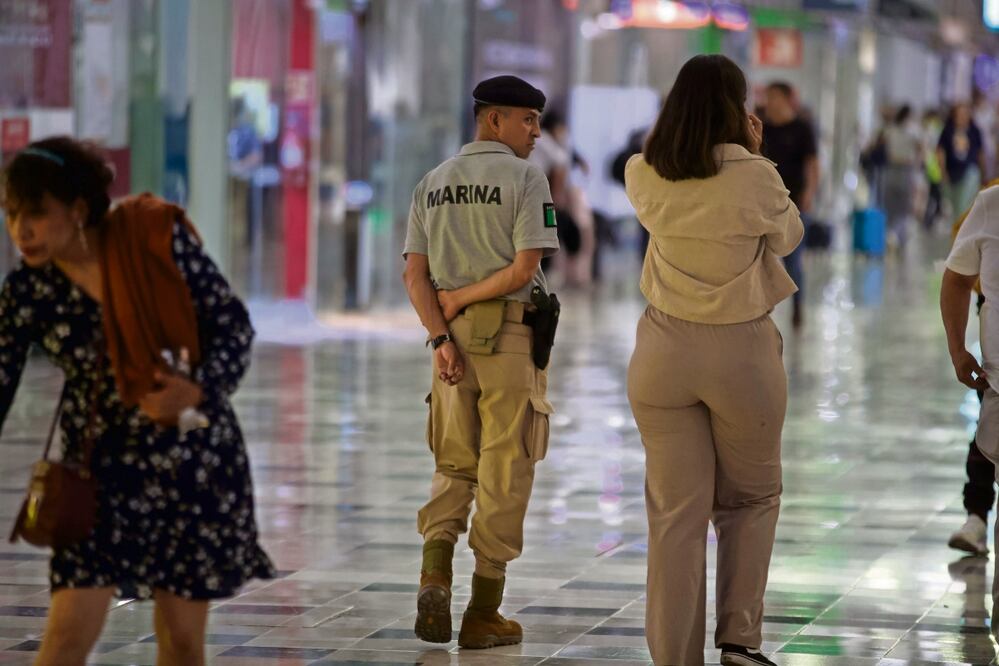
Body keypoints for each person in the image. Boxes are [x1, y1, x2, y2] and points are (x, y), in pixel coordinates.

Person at [0, 137, 274, 665]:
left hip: (188, 463)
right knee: (63, 639)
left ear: (78, 209)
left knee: (181, 641)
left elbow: (232, 326)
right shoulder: (29, 290)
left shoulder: (152, 240)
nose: (20, 229)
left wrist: (197, 389)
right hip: (96, 476)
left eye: (35, 213)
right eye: (11, 214)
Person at [625, 55, 802, 666]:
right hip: (741, 352)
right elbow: (791, 237)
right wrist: (755, 155)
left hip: (661, 352)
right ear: (737, 106)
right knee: (750, 499)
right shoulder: (755, 176)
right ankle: (739, 641)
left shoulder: (643, 172)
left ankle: (675, 658)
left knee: (676, 514)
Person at [402, 75, 559, 650]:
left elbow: (414, 276)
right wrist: (469, 297)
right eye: (526, 120)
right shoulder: (525, 178)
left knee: (452, 465)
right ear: (493, 120)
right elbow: (524, 270)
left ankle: (434, 576)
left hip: (449, 346)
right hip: (509, 341)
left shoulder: (432, 182)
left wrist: (441, 338)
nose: (536, 133)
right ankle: (483, 611)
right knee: (505, 468)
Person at [942, 183, 999, 603]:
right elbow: (957, 274)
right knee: (985, 441)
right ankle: (976, 515)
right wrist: (959, 350)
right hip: (998, 377)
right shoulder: (991, 201)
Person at [761, 81, 817, 329]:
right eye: (768, 97)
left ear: (787, 99)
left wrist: (810, 193)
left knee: (794, 260)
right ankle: (761, 309)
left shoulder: (802, 129)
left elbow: (813, 164)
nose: (769, 102)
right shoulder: (762, 127)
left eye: (774, 97)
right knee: (761, 258)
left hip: (794, 203)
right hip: (764, 204)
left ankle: (798, 307)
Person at [532, 110, 595, 286]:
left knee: (550, 232)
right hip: (545, 202)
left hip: (540, 200)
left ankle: (549, 273)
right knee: (551, 232)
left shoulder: (540, 141)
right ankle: (548, 273)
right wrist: (557, 196)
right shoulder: (544, 139)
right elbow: (560, 164)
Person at [938, 102, 987, 222]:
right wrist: (943, 171)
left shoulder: (975, 130)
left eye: (965, 113)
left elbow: (980, 152)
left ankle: (962, 232)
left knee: (964, 205)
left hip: (970, 170)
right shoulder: (948, 131)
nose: (963, 117)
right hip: (953, 173)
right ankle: (958, 231)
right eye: (960, 114)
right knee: (955, 206)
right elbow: (940, 151)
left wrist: (983, 172)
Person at [881, 104, 923, 246]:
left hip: (892, 169)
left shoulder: (891, 130)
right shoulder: (912, 132)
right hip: (905, 169)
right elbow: (921, 147)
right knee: (903, 206)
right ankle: (899, 236)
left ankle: (892, 233)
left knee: (892, 205)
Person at [923, 109, 945, 229]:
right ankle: (930, 218)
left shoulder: (932, 128)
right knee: (935, 195)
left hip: (933, 167)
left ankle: (930, 219)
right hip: (935, 168)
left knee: (934, 195)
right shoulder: (937, 128)